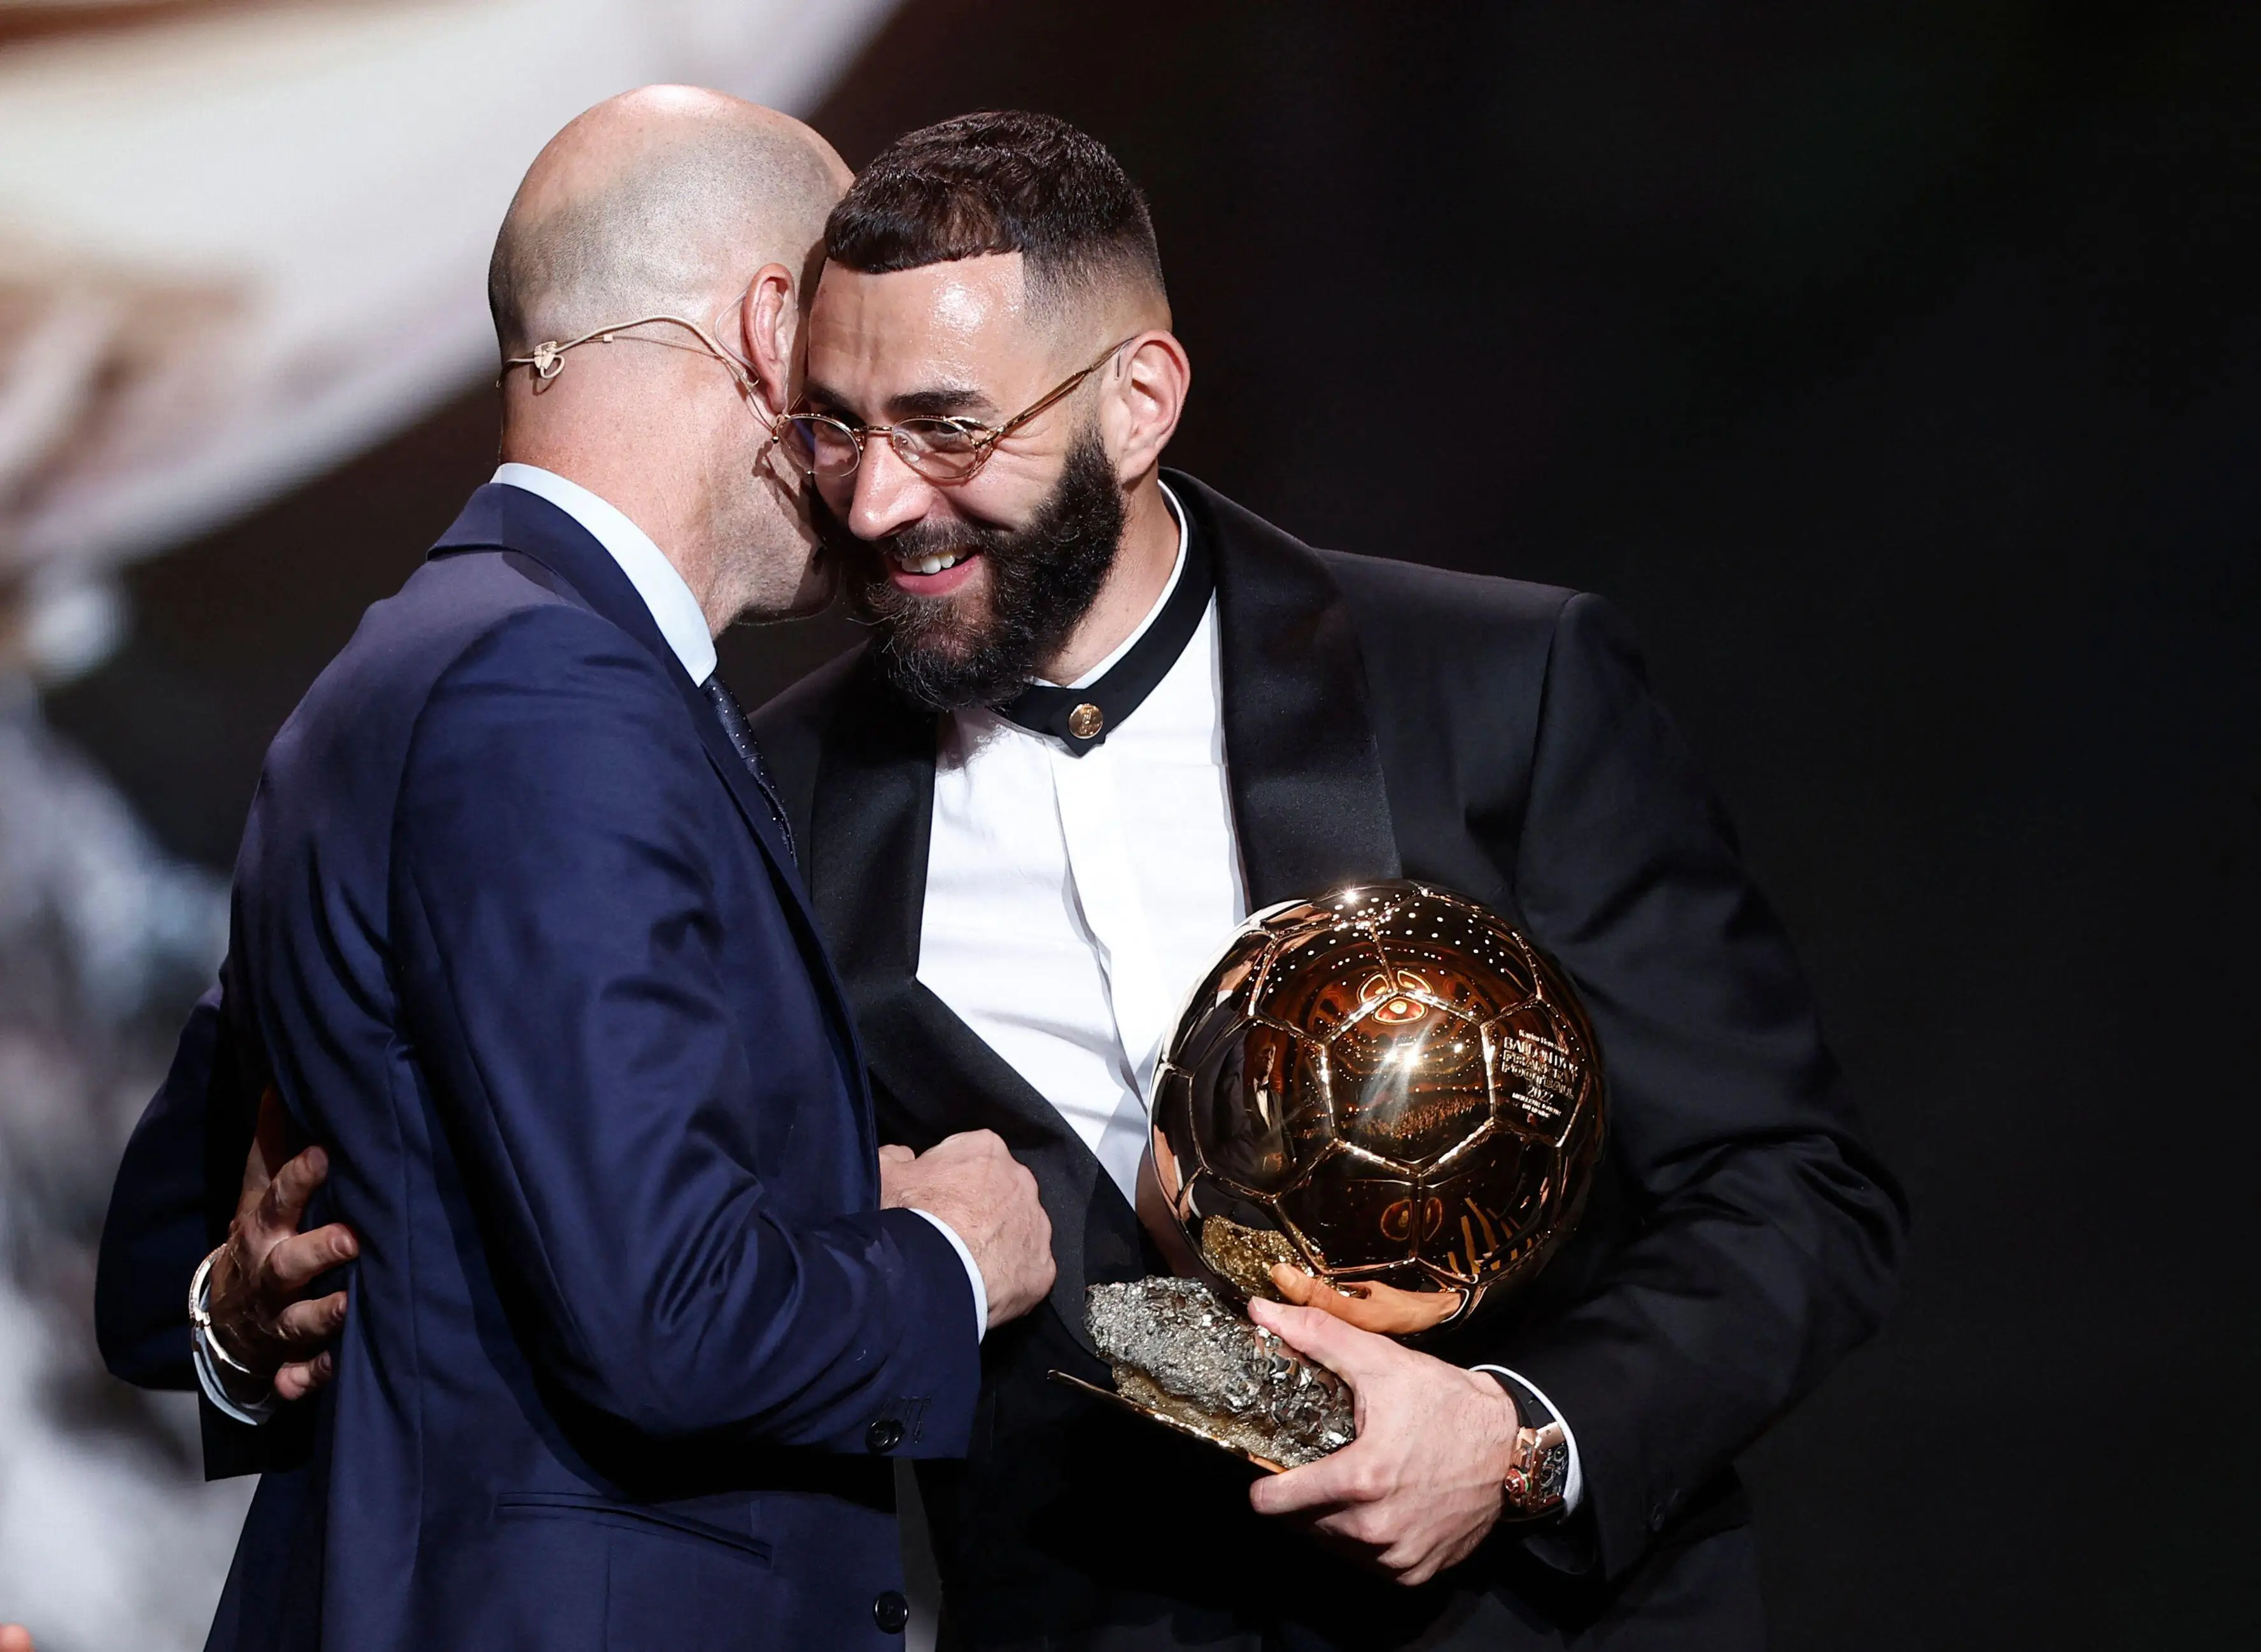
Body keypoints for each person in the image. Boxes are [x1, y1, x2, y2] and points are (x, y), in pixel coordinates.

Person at [738, 111, 1909, 1649]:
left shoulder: (1501, 687)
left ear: (1139, 401)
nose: (878, 502)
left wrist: (1516, 1439)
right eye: (835, 428)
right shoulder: (769, 798)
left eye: (950, 429)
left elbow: (1792, 1193)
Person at [94, 88, 1053, 1652]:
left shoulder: (417, 662)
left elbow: (162, 1259)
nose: (874, 455)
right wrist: (944, 1259)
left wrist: (230, 1305)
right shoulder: (553, 699)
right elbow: (663, 1319)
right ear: (769, 330)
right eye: (846, 371)